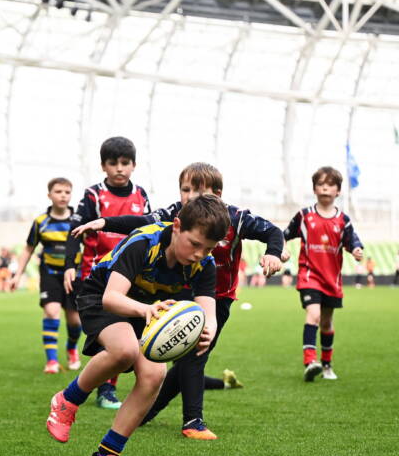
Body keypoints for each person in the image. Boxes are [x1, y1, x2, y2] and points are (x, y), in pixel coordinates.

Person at [73, 162, 283, 439]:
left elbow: (272, 232)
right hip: (181, 293)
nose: (188, 197)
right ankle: (193, 420)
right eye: (185, 190)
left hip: (218, 297)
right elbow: (143, 221)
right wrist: (105, 222)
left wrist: (274, 253)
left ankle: (149, 409)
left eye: (197, 192)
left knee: (183, 355)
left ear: (217, 194)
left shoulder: (235, 217)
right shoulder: (176, 214)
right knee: (188, 356)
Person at [46, 194, 229, 456]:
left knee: (154, 376)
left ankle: (107, 455)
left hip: (150, 311)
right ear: (177, 226)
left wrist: (209, 329)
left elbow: (208, 310)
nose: (199, 254)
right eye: (195, 244)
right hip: (103, 298)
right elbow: (111, 298)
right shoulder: (144, 242)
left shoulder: (203, 264)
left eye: (207, 249)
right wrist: (146, 310)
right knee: (124, 351)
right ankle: (67, 400)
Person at [62, 136, 151, 409]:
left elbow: (149, 231)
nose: (119, 169)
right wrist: (69, 266)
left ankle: (106, 386)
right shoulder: (93, 195)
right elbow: (75, 232)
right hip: (97, 276)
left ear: (134, 165)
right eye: (113, 163)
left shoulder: (141, 195)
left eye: (125, 163)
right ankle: (104, 390)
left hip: (130, 275)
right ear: (104, 166)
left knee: (125, 331)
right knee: (110, 328)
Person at [283, 166, 363, 382]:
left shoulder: (343, 220)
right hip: (309, 276)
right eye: (320, 184)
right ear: (314, 189)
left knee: (327, 323)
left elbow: (352, 241)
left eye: (330, 184)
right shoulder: (304, 216)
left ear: (338, 191)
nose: (325, 187)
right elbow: (284, 235)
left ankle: (327, 365)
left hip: (332, 280)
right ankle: (310, 361)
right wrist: (280, 248)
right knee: (314, 315)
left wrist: (356, 250)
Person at [11, 177, 83, 373]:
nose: (63, 196)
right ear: (49, 195)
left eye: (67, 192)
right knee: (51, 312)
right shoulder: (41, 222)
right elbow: (28, 249)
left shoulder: (79, 219)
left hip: (74, 275)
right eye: (58, 191)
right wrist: (17, 274)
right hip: (50, 274)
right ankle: (51, 361)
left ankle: (71, 348)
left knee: (75, 321)